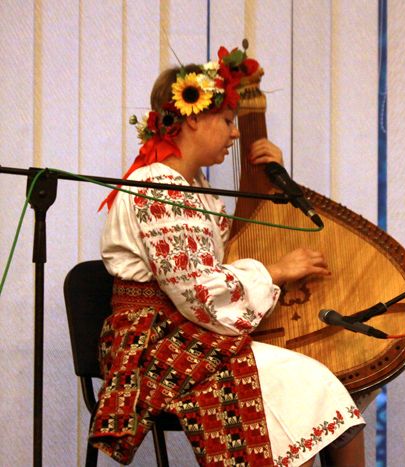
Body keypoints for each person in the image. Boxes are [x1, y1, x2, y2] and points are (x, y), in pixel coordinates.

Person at [92, 45, 366, 466]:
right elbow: (200, 294)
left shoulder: (198, 193)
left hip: (188, 331)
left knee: (316, 388)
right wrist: (275, 272)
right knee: (307, 383)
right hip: (154, 343)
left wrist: (271, 178)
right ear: (193, 118)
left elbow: (236, 248)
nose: (236, 134)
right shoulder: (156, 187)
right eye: (227, 121)